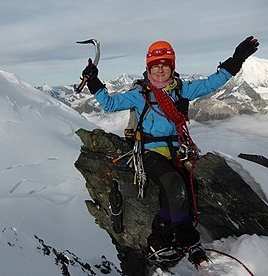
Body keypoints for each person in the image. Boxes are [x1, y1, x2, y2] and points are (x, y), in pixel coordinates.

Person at [81, 36, 259, 269]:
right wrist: (94, 82)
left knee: (175, 196)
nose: (161, 69)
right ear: (149, 68)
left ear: (172, 67)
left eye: (165, 65)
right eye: (156, 66)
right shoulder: (140, 93)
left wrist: (237, 60)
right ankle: (189, 243)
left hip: (176, 151)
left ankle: (159, 241)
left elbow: (212, 83)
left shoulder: (181, 90)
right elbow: (110, 104)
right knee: (175, 186)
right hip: (150, 152)